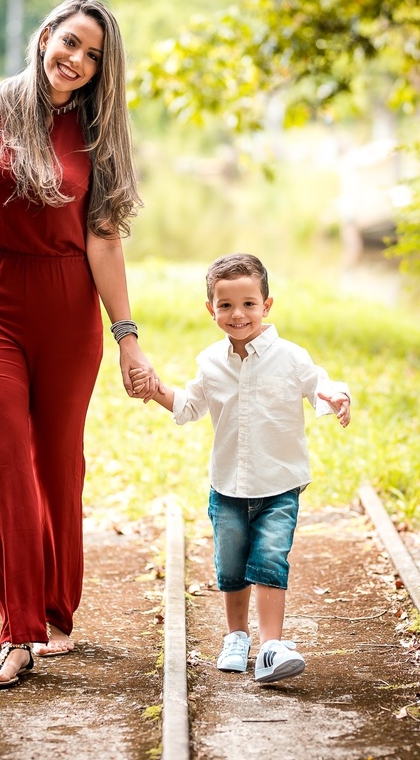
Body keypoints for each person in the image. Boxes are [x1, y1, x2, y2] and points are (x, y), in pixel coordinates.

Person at [0, 0, 152, 689]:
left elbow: (103, 239)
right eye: (70, 42)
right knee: (1, 456)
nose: (75, 60)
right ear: (46, 33)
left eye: (92, 55)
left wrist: (127, 336)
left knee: (57, 463)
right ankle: (17, 630)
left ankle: (56, 609)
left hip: (66, 306)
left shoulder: (97, 131)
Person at [131, 253, 351, 683]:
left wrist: (334, 395)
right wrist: (155, 390)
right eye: (226, 305)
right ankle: (237, 636)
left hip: (280, 482)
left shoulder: (289, 356)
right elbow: (189, 406)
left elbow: (317, 382)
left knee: (270, 559)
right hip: (228, 486)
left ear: (266, 306)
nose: (238, 314)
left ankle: (272, 645)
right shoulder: (210, 362)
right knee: (230, 566)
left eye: (249, 304)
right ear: (210, 309)